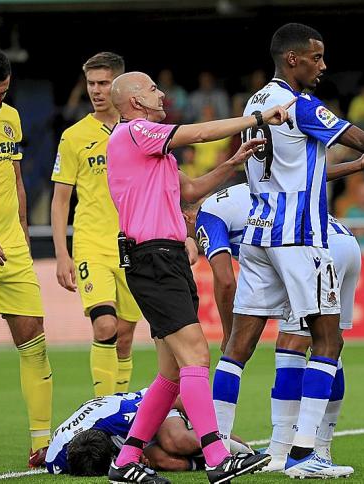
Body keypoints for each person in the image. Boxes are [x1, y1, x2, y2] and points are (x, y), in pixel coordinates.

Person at [212, 22, 364, 480]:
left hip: (259, 235)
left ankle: (218, 450)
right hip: (300, 239)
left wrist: (363, 164)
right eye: (316, 57)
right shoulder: (300, 105)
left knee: (236, 348)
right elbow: (363, 137)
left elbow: (303, 168)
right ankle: (307, 455)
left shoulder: (255, 103)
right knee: (328, 339)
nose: (323, 66)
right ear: (292, 59)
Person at [105, 70, 292, 483]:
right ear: (135, 101)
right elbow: (200, 133)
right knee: (197, 357)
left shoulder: (152, 149)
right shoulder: (135, 132)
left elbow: (189, 191)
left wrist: (232, 164)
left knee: (171, 374)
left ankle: (125, 462)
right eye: (153, 89)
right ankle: (215, 455)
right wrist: (256, 119)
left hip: (164, 258)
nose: (161, 93)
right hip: (153, 258)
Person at [186, 154, 364, 474]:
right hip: (341, 241)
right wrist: (360, 164)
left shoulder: (206, 214)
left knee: (295, 347)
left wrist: (230, 333)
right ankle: (306, 449)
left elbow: (226, 280)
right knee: (318, 345)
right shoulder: (254, 187)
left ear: (187, 213)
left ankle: (238, 447)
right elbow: (314, 175)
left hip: (312, 250)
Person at [0, 45, 53, 468]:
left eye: (2, 93)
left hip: (10, 246)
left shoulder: (12, 119)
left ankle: (42, 445)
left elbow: (16, 177)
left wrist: (20, 230)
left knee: (33, 338)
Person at [51, 52, 142, 397]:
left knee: (126, 336)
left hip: (134, 245)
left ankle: (118, 415)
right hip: (92, 243)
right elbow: (61, 200)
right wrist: (62, 254)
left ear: (118, 85)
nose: (96, 90)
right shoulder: (74, 136)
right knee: (105, 324)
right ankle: (102, 416)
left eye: (104, 83)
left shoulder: (140, 130)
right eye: (91, 83)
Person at [45, 389, 254, 476]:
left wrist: (203, 424)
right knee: (163, 461)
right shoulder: (57, 460)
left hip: (155, 404)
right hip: (123, 433)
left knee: (177, 442)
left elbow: (175, 398)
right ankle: (201, 462)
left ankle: (242, 452)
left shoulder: (120, 418)